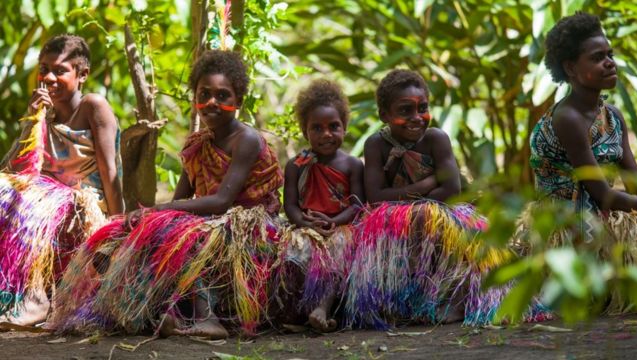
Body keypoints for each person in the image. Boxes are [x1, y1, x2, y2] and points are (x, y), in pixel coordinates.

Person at [48, 50, 283, 339]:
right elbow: (182, 199)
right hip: (213, 222)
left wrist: (156, 211)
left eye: (223, 96)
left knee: (182, 233)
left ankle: (209, 319)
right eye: (204, 93)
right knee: (126, 235)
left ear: (238, 102)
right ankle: (128, 307)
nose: (212, 102)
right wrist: (147, 219)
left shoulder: (245, 139)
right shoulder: (197, 145)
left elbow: (222, 202)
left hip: (245, 225)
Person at [345, 69, 510, 329]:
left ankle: (455, 300)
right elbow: (375, 199)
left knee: (443, 226)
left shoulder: (436, 138)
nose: (416, 117)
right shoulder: (375, 145)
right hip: (394, 222)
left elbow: (451, 191)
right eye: (405, 110)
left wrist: (412, 202)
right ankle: (396, 302)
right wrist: (428, 184)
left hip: (443, 214)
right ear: (384, 115)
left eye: (422, 108)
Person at [0, 34, 123, 325]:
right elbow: (17, 167)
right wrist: (34, 117)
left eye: (60, 70)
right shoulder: (45, 112)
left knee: (33, 204)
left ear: (82, 75)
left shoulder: (93, 106)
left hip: (82, 204)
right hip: (46, 202)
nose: (49, 77)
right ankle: (20, 291)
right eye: (44, 69)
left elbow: (110, 170)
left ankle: (37, 300)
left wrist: (118, 224)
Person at [526, 12, 637, 312]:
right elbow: (602, 194)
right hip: (568, 222)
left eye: (610, 55)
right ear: (571, 68)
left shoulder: (612, 115)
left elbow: (633, 179)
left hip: (603, 214)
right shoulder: (567, 118)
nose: (610, 62)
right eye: (598, 57)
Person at [277, 79, 364, 332]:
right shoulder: (296, 165)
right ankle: (300, 312)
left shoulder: (352, 165)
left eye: (333, 126)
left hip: (341, 226)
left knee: (338, 247)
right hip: (306, 227)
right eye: (317, 128)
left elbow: (358, 203)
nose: (326, 134)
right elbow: (290, 205)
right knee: (295, 252)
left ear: (345, 127)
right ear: (305, 132)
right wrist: (304, 223)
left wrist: (335, 222)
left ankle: (323, 308)